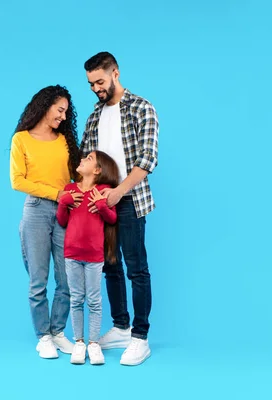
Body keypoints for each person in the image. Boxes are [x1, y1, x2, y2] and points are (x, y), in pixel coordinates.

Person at [79, 52, 159, 366]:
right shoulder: (94, 115)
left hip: (129, 199)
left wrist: (118, 193)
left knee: (136, 267)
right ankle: (121, 326)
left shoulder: (142, 107)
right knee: (110, 265)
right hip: (100, 201)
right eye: (91, 84)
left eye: (100, 81)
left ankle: (140, 338)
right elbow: (87, 157)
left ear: (115, 72)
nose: (96, 88)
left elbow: (147, 160)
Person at [10, 85, 80, 359]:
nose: (63, 117)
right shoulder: (21, 140)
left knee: (67, 280)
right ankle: (43, 336)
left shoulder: (64, 140)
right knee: (38, 280)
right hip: (36, 211)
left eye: (66, 113)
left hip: (66, 213)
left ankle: (58, 331)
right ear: (45, 105)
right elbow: (18, 181)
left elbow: (77, 175)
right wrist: (57, 194)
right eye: (60, 110)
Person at [56, 150, 119, 365]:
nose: (82, 159)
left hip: (94, 256)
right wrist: (63, 202)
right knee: (76, 298)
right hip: (72, 254)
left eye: (89, 159)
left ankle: (93, 344)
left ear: (97, 170)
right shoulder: (70, 190)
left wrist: (102, 205)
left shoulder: (104, 191)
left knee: (94, 300)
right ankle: (79, 342)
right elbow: (62, 221)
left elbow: (112, 218)